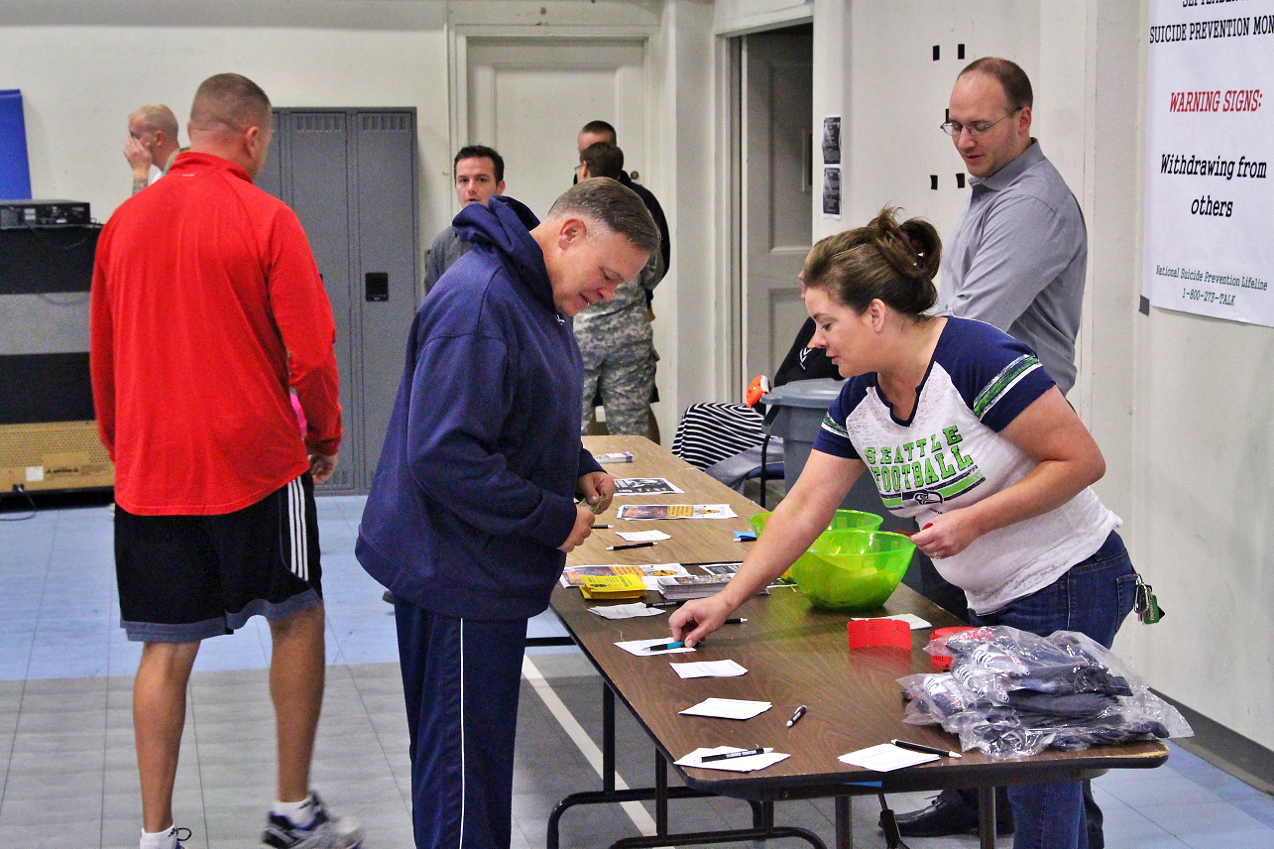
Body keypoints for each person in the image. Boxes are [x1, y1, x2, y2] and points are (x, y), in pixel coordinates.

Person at [669, 208, 1135, 849]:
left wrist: (973, 520)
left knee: (1038, 775)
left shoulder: (975, 357)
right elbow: (804, 508)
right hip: (995, 594)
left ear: (877, 314)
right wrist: (726, 599)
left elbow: (1081, 460)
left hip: (1069, 576)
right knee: (1036, 767)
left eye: (827, 323)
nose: (815, 342)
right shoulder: (859, 397)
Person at [90, 73, 361, 849]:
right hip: (258, 465)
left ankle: (155, 833)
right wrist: (326, 437)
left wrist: (124, 445)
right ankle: (290, 809)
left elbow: (102, 358)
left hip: (152, 471)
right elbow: (312, 354)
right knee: (298, 615)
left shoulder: (124, 226)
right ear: (250, 137)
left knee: (165, 647)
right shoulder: (268, 218)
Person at [355, 177, 659, 849]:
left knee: (472, 760)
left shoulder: (534, 292)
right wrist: (551, 517)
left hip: (478, 562)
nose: (607, 295)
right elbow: (445, 454)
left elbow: (516, 402)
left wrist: (574, 456)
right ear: (569, 232)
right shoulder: (484, 303)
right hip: (458, 567)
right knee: (462, 772)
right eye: (607, 276)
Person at [910, 55, 1096, 844]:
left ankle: (1056, 823)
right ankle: (971, 790)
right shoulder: (990, 192)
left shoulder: (1034, 206)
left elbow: (966, 325)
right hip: (974, 440)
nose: (963, 140)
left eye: (979, 125)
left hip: (1019, 446)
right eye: (954, 124)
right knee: (955, 636)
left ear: (1024, 119)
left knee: (1030, 691)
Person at [575, 120, 670, 441]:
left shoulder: (573, 212)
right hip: (631, 333)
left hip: (581, 334)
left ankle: (577, 489)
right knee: (632, 438)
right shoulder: (639, 210)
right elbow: (654, 268)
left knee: (571, 433)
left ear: (585, 168)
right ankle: (636, 490)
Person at [422, 144, 506, 294]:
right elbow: (434, 306)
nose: (471, 188)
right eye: (463, 180)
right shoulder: (444, 244)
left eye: (481, 179)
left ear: (500, 187)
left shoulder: (517, 238)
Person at [124, 103, 183, 195]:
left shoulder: (184, 174)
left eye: (135, 137)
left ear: (158, 138)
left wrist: (140, 172)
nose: (130, 144)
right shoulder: (158, 178)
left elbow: (139, 209)